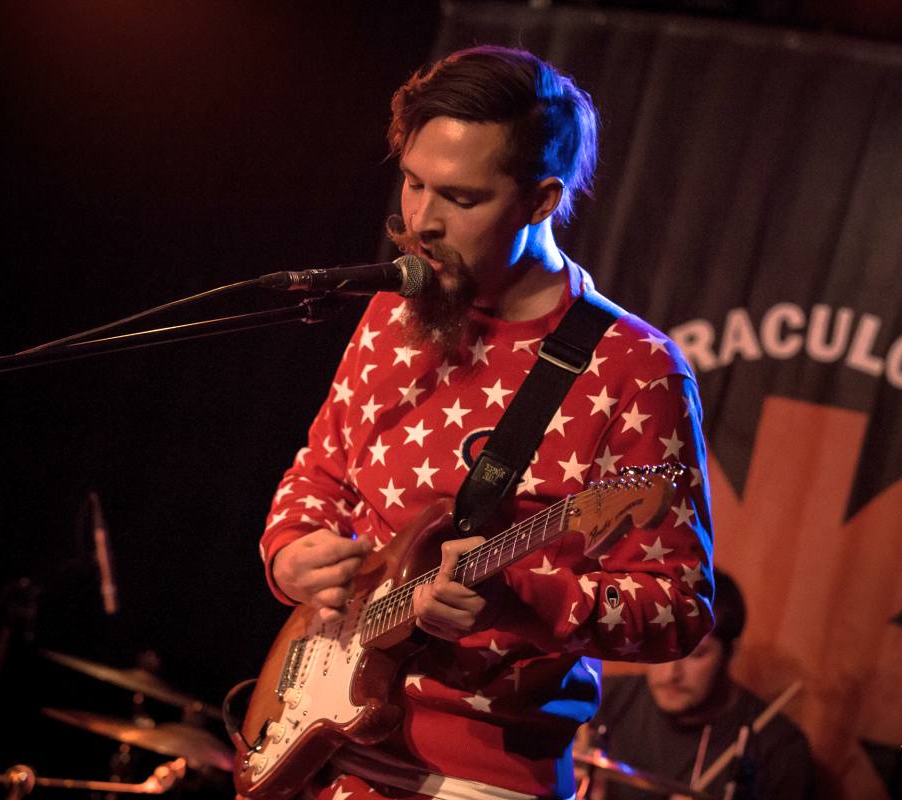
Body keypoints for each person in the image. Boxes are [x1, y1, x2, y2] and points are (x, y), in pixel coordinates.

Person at [259, 46, 716, 800]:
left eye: (461, 198)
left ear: (540, 200)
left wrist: (518, 598)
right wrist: (288, 552)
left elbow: (679, 607)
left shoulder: (635, 369)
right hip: (316, 731)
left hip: (475, 773)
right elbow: (320, 472)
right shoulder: (392, 311)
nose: (422, 222)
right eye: (413, 183)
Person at [591, 570, 814, 800]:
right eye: (658, 647)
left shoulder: (778, 748)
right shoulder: (600, 699)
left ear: (731, 653)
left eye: (695, 654)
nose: (670, 673)